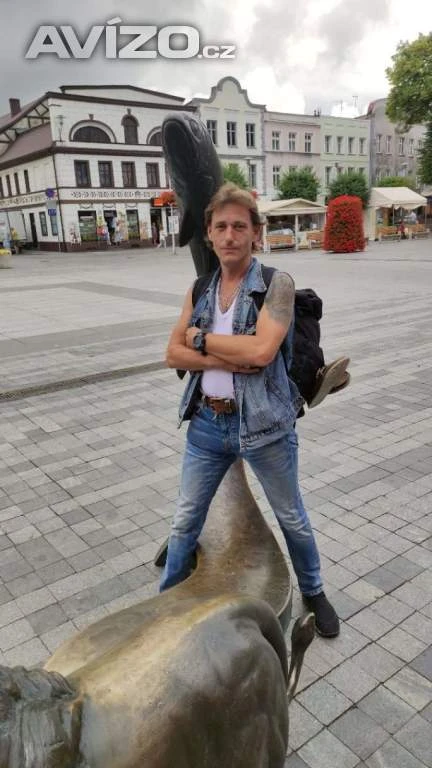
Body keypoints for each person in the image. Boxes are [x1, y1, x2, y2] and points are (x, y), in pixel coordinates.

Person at [160, 183, 340, 638]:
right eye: (221, 226)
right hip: (206, 423)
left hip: (265, 428)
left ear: (256, 233)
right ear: (208, 234)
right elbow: (172, 354)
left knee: (291, 516)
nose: (230, 235)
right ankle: (166, 606)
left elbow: (261, 352)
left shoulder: (276, 285)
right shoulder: (200, 288)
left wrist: (200, 340)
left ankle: (314, 590)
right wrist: (224, 356)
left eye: (240, 226)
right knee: (184, 520)